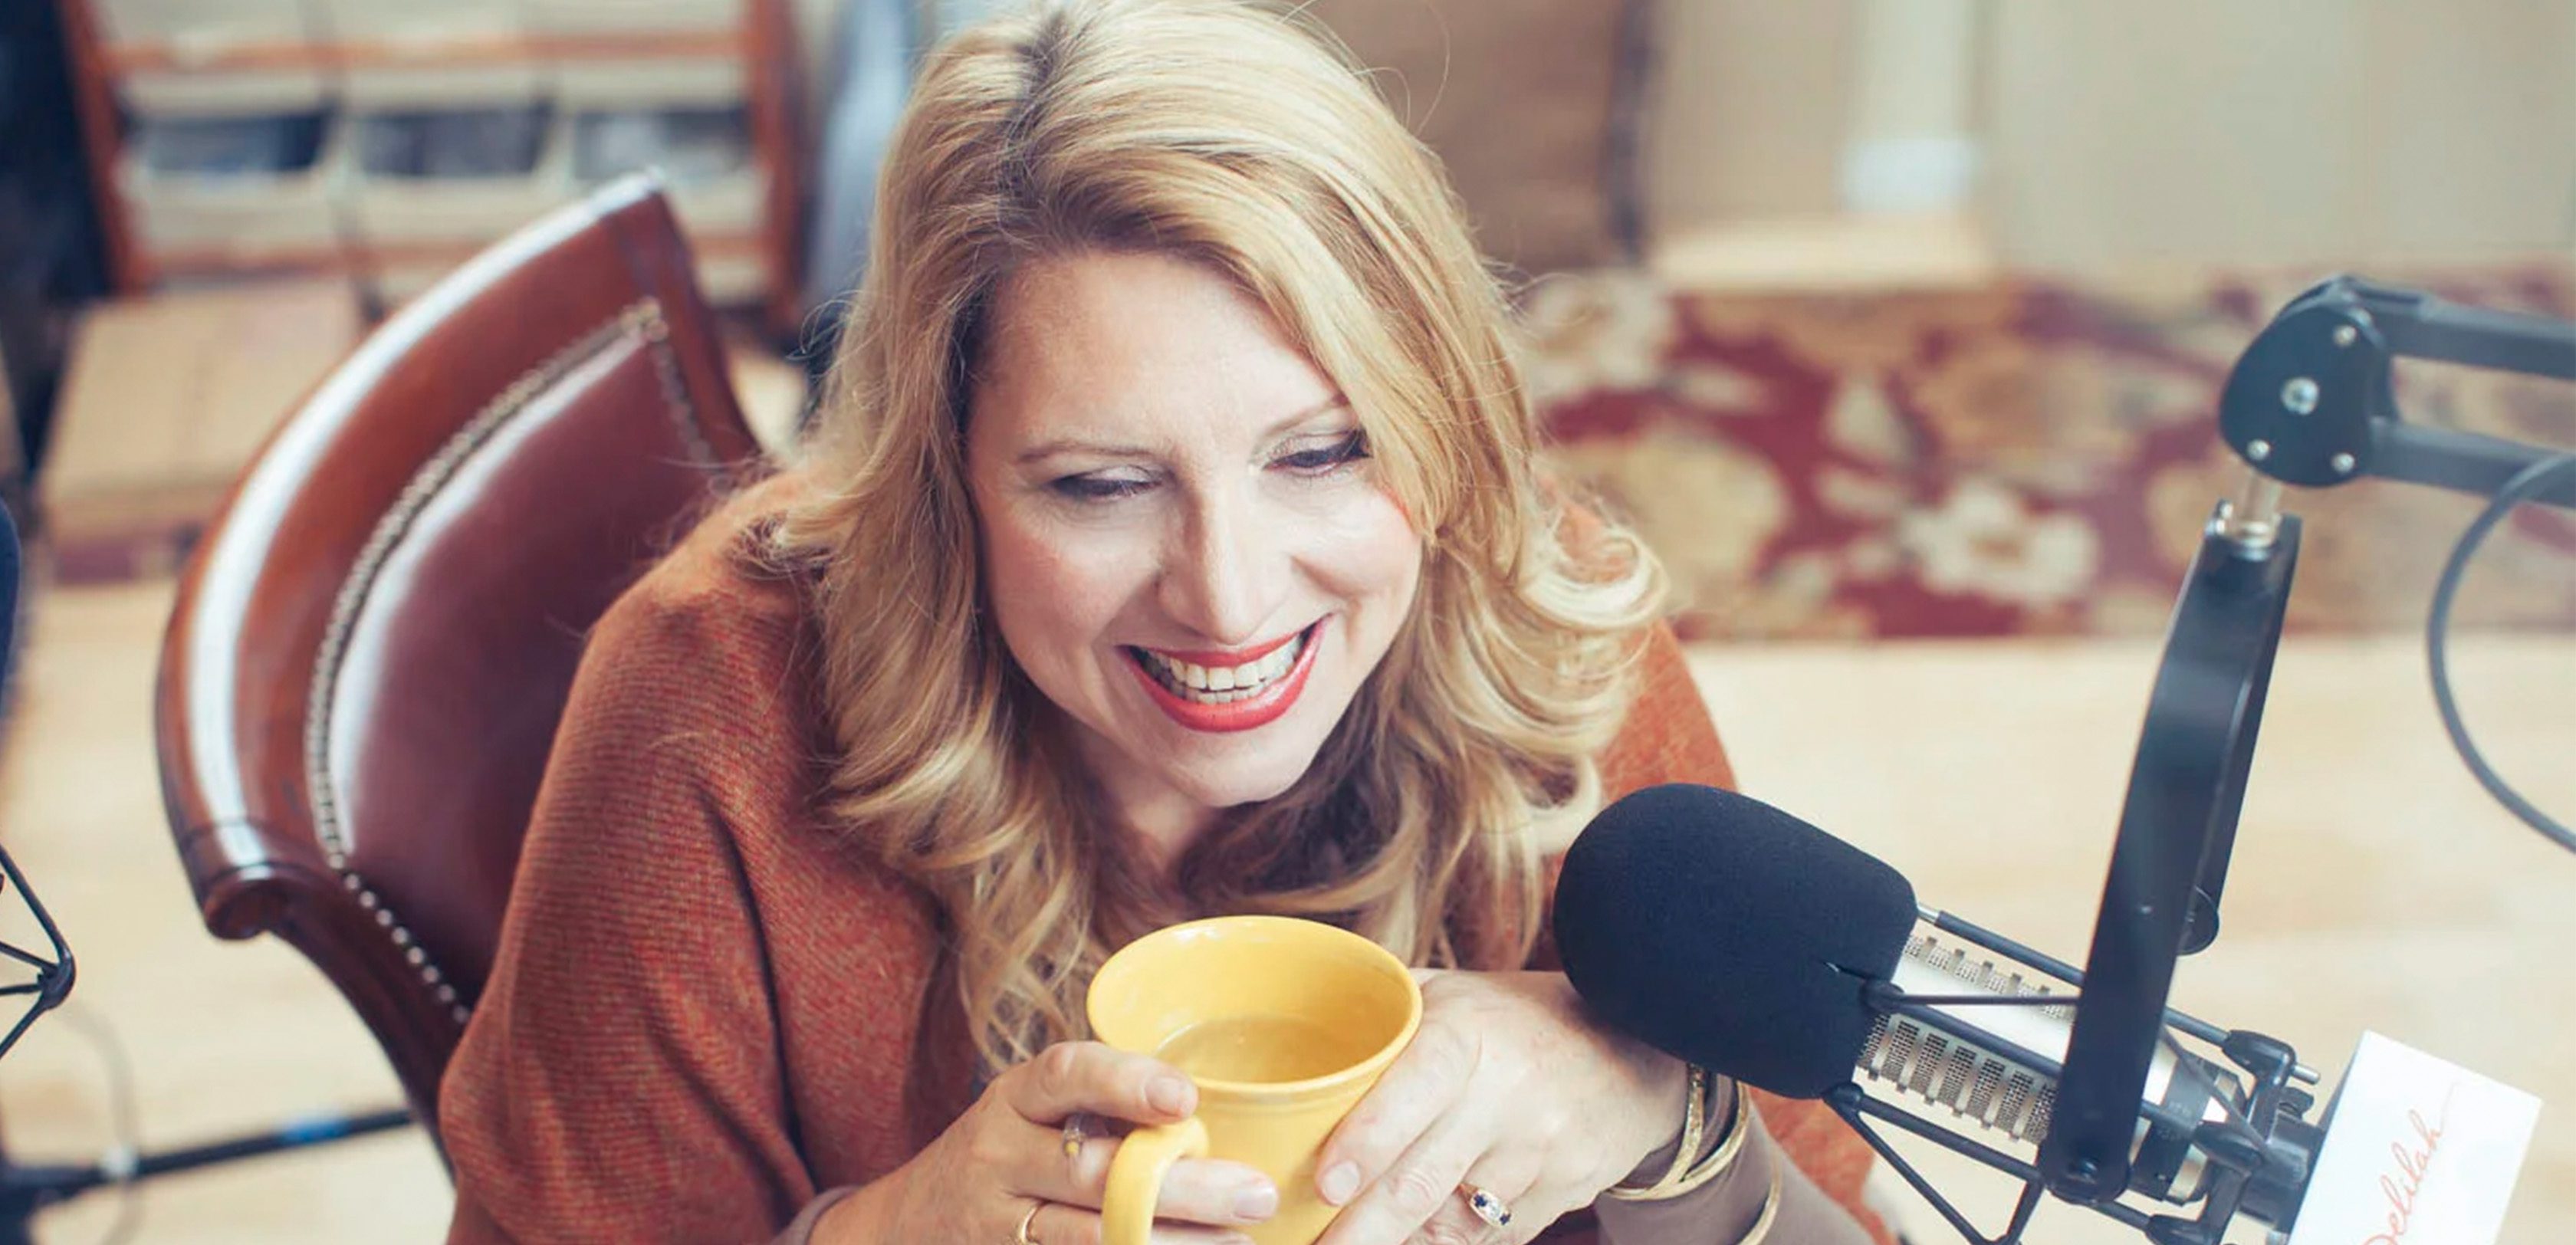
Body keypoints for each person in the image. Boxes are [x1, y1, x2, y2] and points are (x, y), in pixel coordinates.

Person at [440, 2, 1891, 1242]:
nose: (1231, 597)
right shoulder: (714, 703)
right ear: (946, 480)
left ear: (1443, 424)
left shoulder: (1540, 618)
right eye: (1103, 485)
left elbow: (1850, 1221)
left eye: (1324, 454)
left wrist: (1668, 1120)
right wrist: (886, 1230)